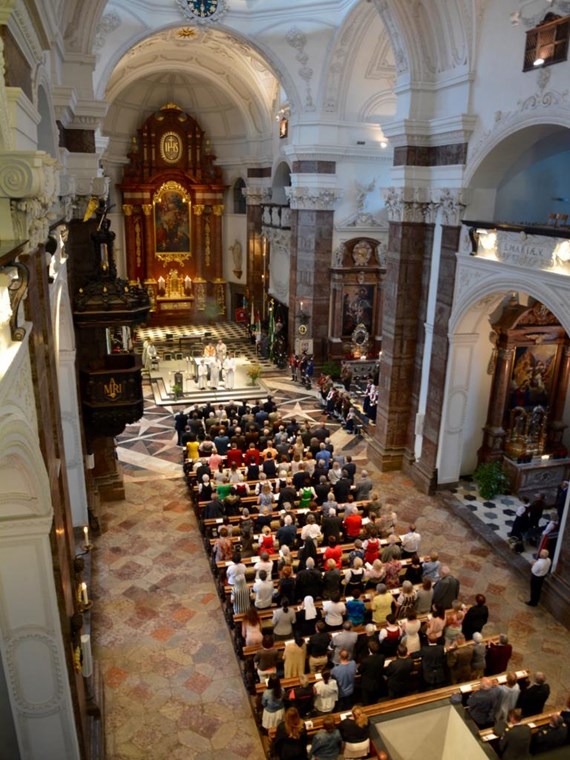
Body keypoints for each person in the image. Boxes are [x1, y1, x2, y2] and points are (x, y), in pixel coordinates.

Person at [358, 639, 386, 705]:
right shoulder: (382, 657)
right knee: (375, 700)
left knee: (366, 702)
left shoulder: (365, 661)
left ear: (369, 649)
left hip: (367, 684)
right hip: (377, 682)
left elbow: (360, 670)